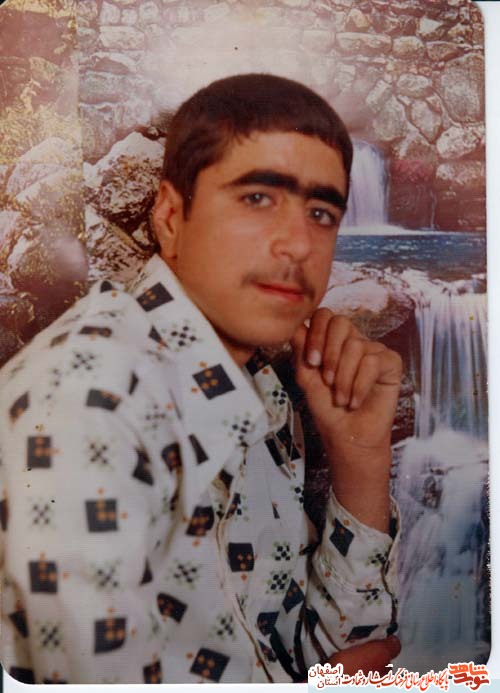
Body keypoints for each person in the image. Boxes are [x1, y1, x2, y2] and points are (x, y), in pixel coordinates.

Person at [0, 73, 402, 684]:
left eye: (321, 213)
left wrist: (360, 459)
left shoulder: (258, 385)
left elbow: (307, 657)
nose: (299, 243)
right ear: (170, 217)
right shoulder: (87, 405)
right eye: (258, 198)